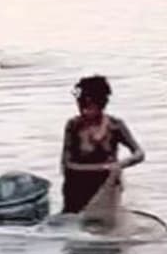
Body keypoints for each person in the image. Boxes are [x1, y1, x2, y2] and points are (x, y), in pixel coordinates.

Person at [60, 76, 145, 215]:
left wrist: (121, 164)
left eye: (89, 106)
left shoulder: (115, 125)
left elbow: (139, 153)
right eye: (81, 105)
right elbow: (67, 164)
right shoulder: (73, 126)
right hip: (77, 185)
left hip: (106, 185)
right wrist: (101, 168)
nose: (84, 111)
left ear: (101, 104)